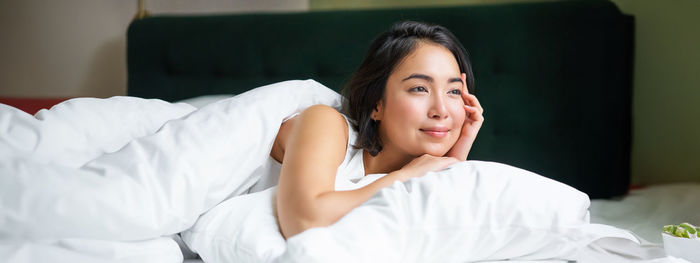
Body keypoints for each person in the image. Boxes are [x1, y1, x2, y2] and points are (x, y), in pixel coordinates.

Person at [272, 21, 484, 239]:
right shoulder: (324, 122)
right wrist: (405, 176)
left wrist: (459, 150)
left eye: (454, 91)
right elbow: (305, 221)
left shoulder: (421, 167)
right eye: (419, 88)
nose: (441, 110)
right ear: (376, 104)